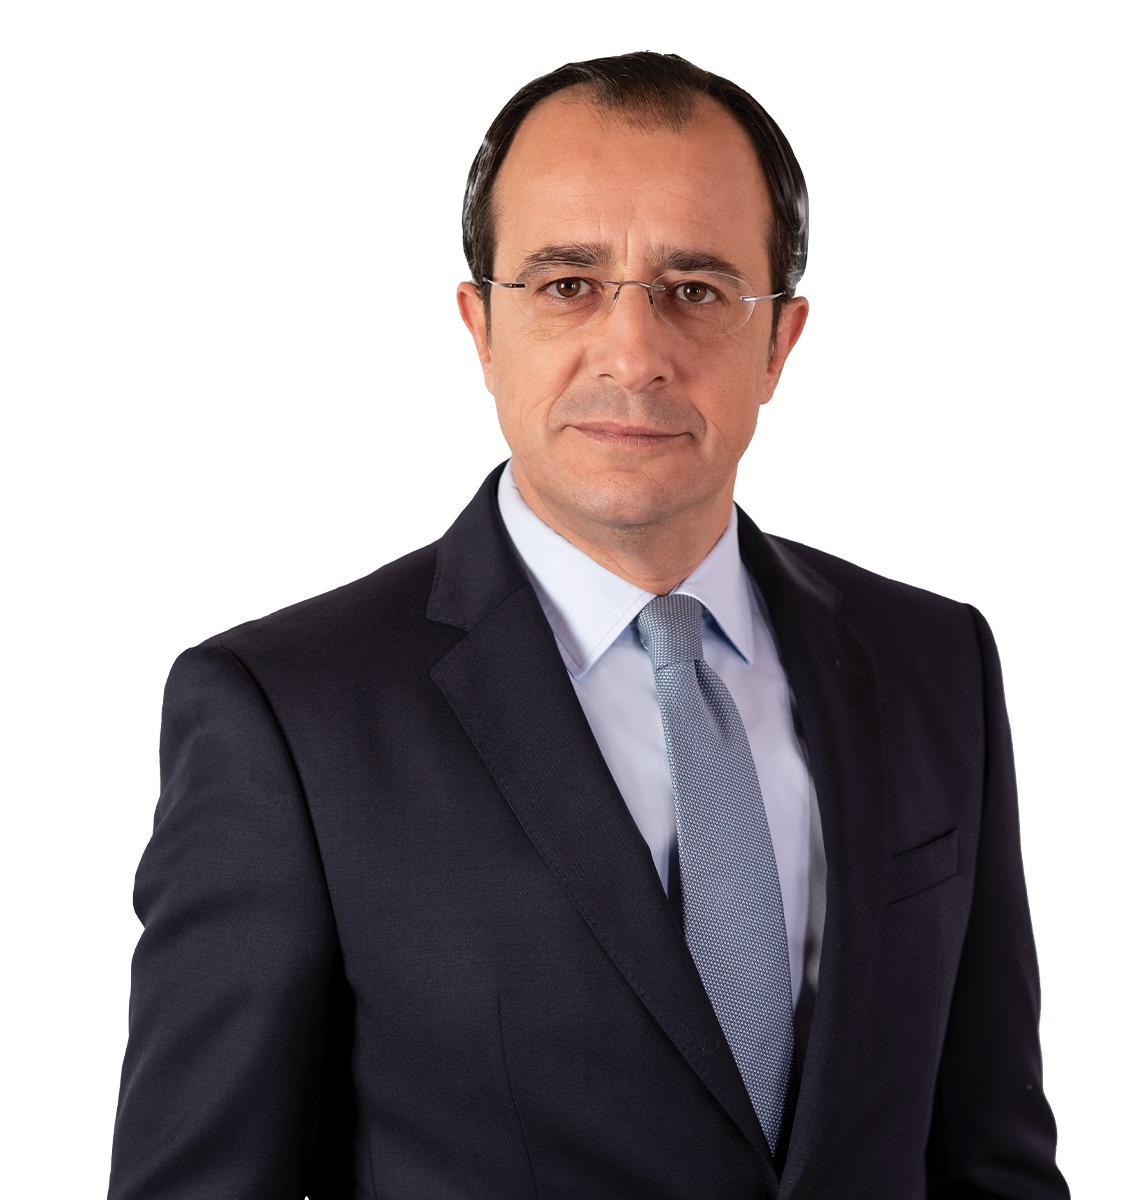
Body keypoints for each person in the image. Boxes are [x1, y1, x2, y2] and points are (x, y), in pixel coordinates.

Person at [108, 51, 1069, 1199]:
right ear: (481, 327)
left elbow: (994, 1161)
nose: (633, 353)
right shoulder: (289, 719)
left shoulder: (934, 666)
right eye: (568, 284)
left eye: (696, 290)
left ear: (779, 341)